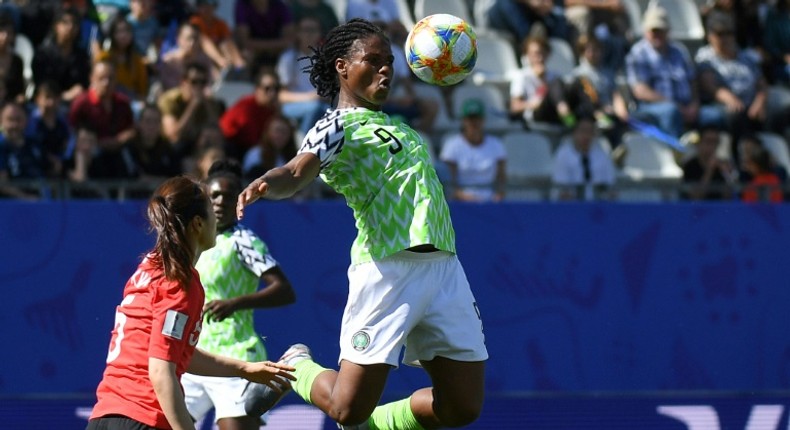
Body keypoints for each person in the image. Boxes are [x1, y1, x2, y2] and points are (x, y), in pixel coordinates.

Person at [236, 18, 488, 430]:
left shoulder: (403, 128)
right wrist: (269, 182)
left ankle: (374, 427)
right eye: (373, 60)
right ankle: (297, 367)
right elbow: (298, 171)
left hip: (444, 269)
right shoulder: (335, 126)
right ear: (342, 67)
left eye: (389, 61)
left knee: (462, 406)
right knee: (346, 409)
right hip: (387, 270)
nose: (386, 68)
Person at [86, 175, 296, 430]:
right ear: (198, 223)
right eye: (210, 208)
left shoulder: (149, 267)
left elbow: (174, 352)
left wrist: (243, 368)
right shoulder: (180, 283)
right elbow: (161, 372)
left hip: (103, 418)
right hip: (143, 417)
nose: (217, 217)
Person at [182, 159, 296, 429]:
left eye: (228, 196)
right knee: (161, 423)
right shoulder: (193, 243)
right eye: (214, 196)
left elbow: (284, 290)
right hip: (195, 357)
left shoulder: (243, 240)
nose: (220, 202)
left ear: (239, 201)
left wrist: (236, 303)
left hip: (236, 356)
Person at [69, 60, 137, 179]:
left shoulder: (123, 103)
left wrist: (121, 139)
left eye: (111, 78)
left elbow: (131, 129)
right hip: (92, 154)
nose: (106, 83)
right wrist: (97, 142)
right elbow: (72, 131)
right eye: (101, 78)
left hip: (119, 151)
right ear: (92, 79)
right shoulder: (81, 103)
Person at [439, 99, 507, 202]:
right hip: (462, 202)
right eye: (470, 119)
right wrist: (464, 197)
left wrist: (498, 195)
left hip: (490, 200)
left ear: (483, 120)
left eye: (477, 119)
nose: (474, 123)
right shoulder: (452, 146)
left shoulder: (496, 145)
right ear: (464, 121)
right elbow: (449, 182)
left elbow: (501, 178)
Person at [276, 15, 331, 136]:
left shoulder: (324, 59)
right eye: (305, 30)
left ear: (319, 34)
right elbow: (282, 96)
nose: (309, 34)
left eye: (313, 30)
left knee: (332, 112)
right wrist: (310, 97)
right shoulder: (288, 58)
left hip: (320, 104)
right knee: (315, 108)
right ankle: (303, 144)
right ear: (298, 33)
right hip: (292, 105)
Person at [551, 113, 617, 201]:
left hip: (598, 207)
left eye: (590, 131)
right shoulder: (563, 154)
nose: (586, 136)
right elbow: (561, 185)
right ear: (574, 132)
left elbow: (609, 184)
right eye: (582, 131)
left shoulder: (603, 154)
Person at [219, 67, 282, 159]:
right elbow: (250, 140)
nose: (272, 93)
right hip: (232, 149)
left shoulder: (272, 110)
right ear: (257, 89)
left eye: (276, 89)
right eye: (267, 89)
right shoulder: (247, 106)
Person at [681, 125, 735, 200]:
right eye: (708, 141)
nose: (712, 146)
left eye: (715, 142)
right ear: (699, 143)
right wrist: (709, 170)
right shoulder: (690, 166)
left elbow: (729, 198)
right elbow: (695, 198)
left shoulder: (722, 165)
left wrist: (726, 174)